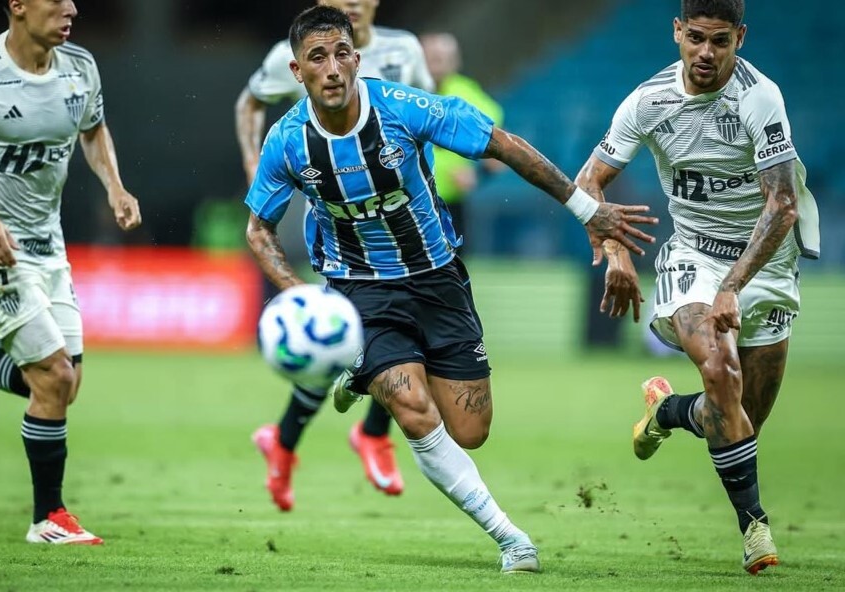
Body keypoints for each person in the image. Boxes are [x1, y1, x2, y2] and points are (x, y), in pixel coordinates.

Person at [245, 5, 656, 572]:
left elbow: (503, 145)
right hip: (359, 290)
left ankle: (359, 374)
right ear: (298, 71)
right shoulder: (287, 142)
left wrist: (587, 210)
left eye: (342, 54)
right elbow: (258, 230)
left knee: (471, 430)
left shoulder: (404, 108)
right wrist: (300, 293)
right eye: (318, 58)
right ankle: (512, 538)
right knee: (414, 410)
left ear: (357, 59)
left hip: (438, 279)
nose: (333, 68)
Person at [576, 0, 819, 575]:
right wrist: (614, 251)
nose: (706, 53)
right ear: (677, 32)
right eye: (696, 39)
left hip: (766, 262)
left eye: (720, 41)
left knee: (736, 420)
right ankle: (755, 528)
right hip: (694, 256)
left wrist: (735, 286)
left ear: (740, 37)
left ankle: (665, 413)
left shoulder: (760, 98)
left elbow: (782, 204)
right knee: (720, 371)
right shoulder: (648, 100)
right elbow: (589, 182)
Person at [235, 0, 434, 512]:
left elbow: (424, 121)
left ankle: (285, 442)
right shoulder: (294, 53)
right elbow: (249, 104)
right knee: (367, 337)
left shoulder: (403, 49)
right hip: (344, 227)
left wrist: (420, 190)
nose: (351, 2)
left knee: (385, 337)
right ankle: (368, 435)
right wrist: (256, 166)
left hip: (406, 220)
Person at [0, 0, 142, 543]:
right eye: (57, 0)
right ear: (18, 6)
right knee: (54, 377)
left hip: (49, 248)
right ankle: (48, 518)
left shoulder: (80, 66)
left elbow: (94, 129)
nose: (72, 9)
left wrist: (115, 185)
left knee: (65, 385)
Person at [419, 32, 503, 251]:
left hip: (449, 203)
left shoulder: (466, 97)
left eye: (442, 57)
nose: (435, 64)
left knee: (451, 270)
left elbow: (500, 152)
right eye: (431, 56)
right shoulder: (403, 89)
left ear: (455, 61)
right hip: (406, 200)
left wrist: (478, 175)